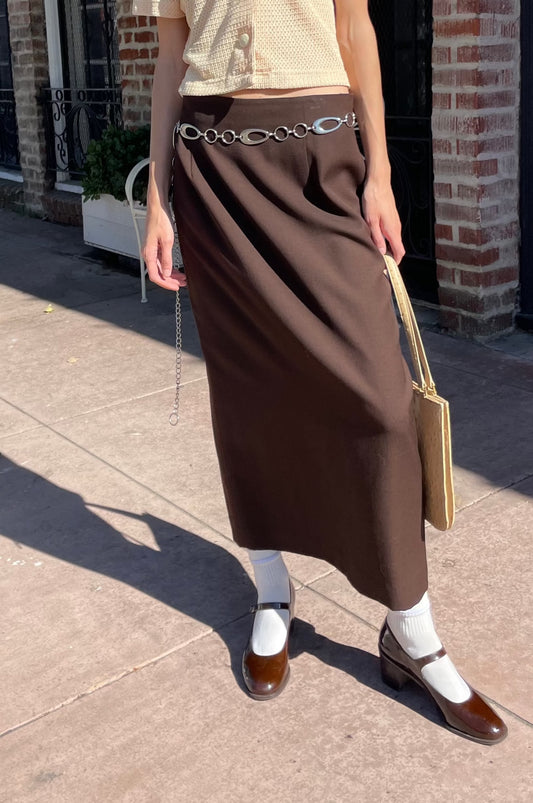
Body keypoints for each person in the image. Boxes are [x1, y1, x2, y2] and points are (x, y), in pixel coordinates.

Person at [132, 0, 507, 744]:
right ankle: (272, 591)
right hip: (212, 174)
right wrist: (157, 197)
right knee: (249, 398)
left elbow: (354, 27)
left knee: (380, 402)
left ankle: (412, 630)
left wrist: (380, 173)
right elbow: (172, 55)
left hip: (320, 157)